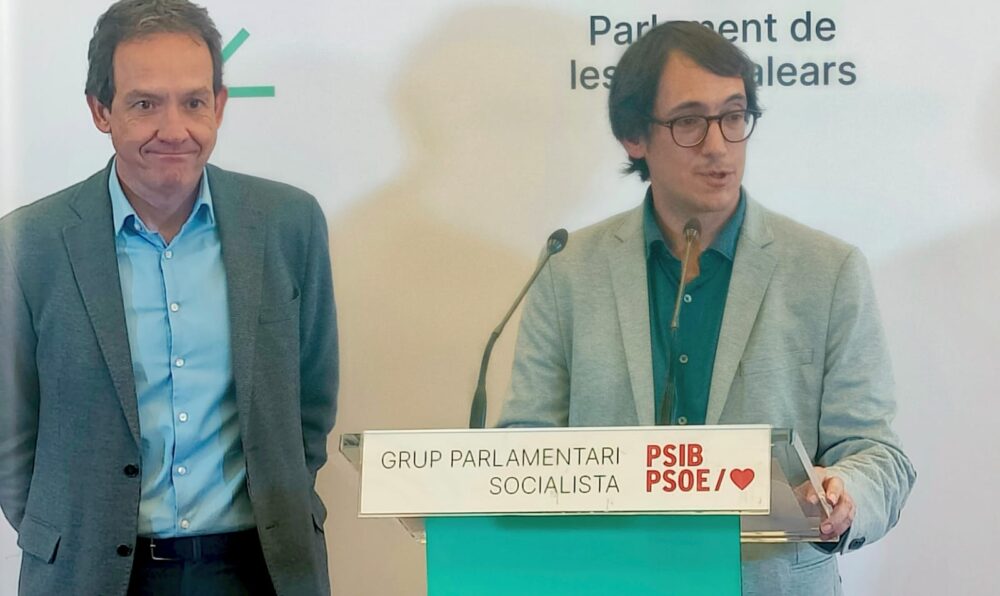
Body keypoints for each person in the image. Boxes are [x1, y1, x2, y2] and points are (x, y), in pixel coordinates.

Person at [498, 21, 914, 595]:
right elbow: (526, 445)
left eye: (734, 117)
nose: (718, 145)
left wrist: (844, 495)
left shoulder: (828, 270)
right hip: (610, 578)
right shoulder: (567, 269)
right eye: (690, 121)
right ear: (634, 136)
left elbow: (877, 453)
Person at [0, 1, 338, 594]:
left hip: (258, 570)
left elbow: (312, 403)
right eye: (145, 104)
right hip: (90, 573)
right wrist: (67, 533)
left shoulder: (289, 224)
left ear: (220, 106)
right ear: (101, 110)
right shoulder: (29, 243)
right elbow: (10, 431)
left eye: (194, 102)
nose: (175, 129)